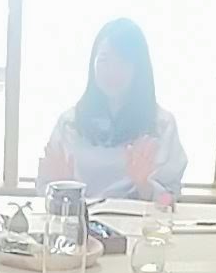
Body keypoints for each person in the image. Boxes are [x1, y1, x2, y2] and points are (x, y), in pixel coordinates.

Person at [39, 18, 186, 200]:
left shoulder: (161, 125)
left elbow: (170, 199)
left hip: (138, 218)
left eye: (122, 62)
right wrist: (62, 188)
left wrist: (145, 186)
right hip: (80, 217)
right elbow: (43, 189)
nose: (112, 71)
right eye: (104, 61)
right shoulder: (70, 123)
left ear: (139, 68)